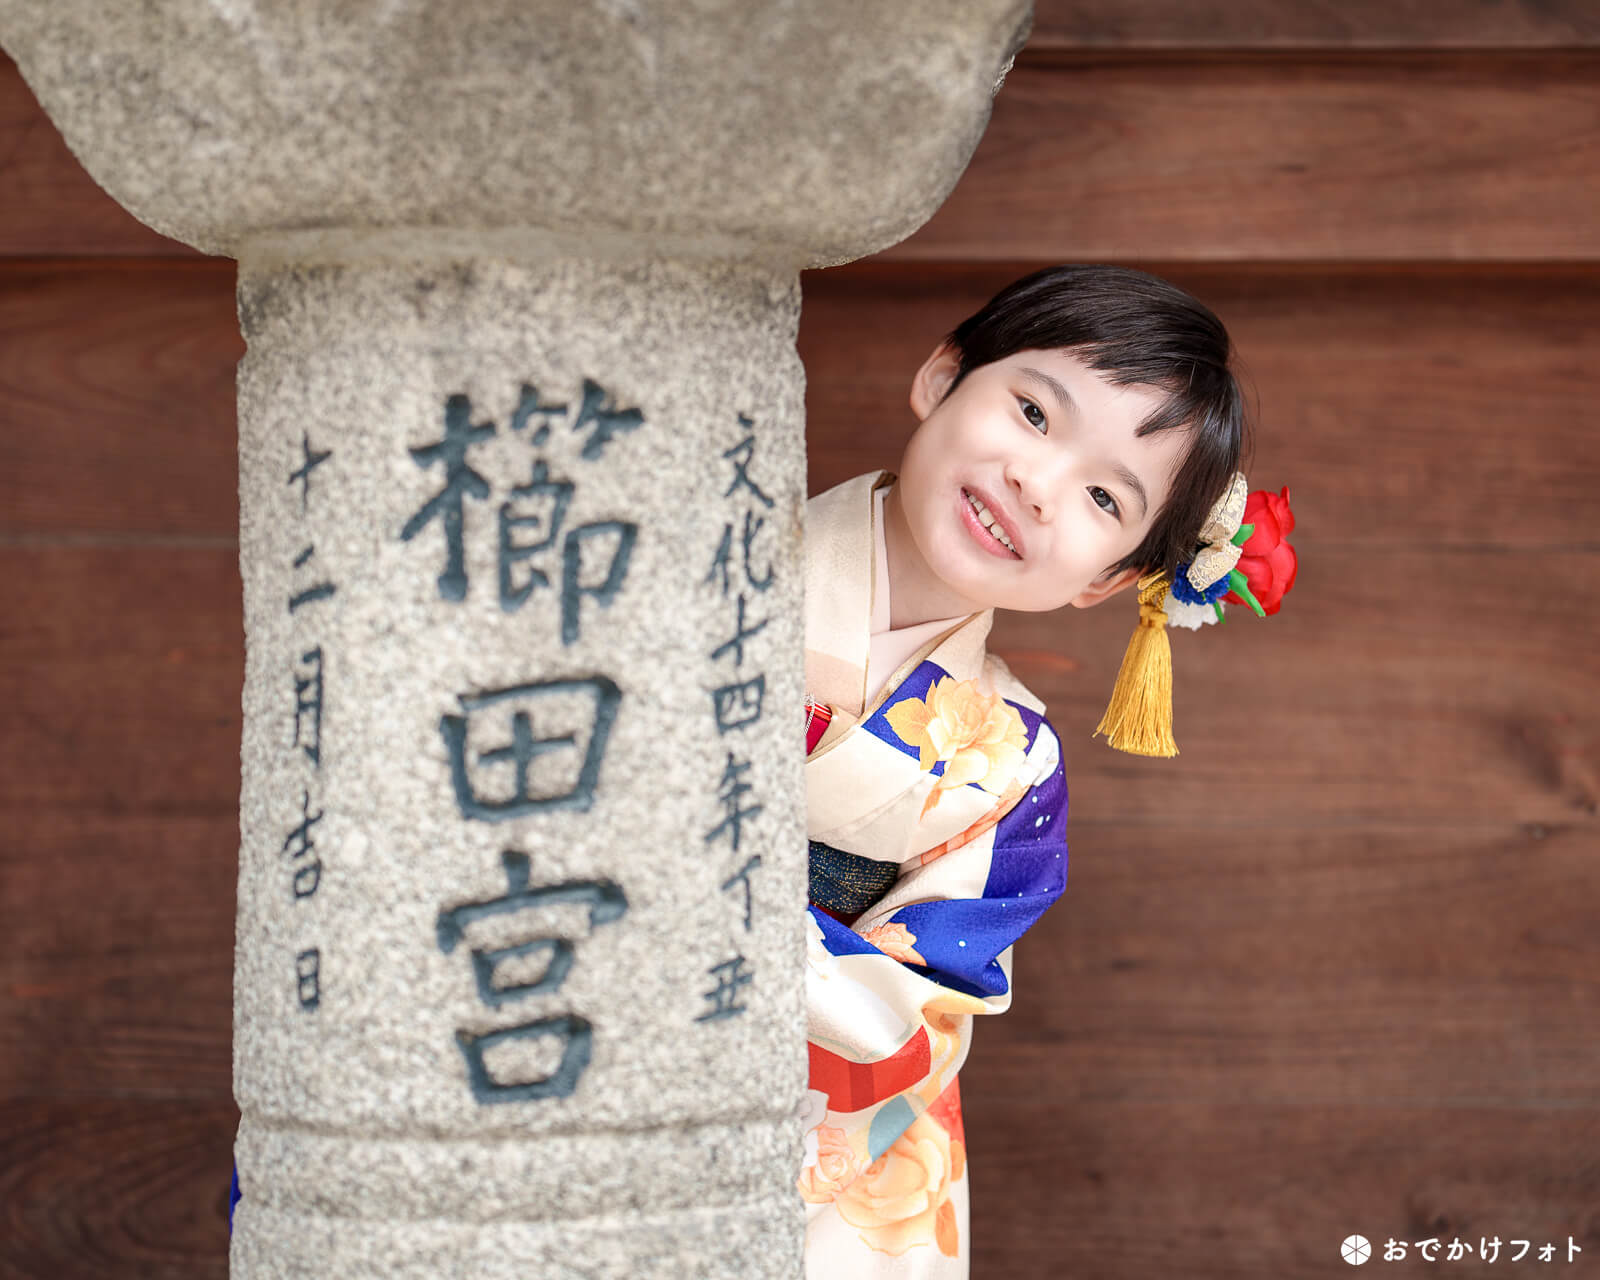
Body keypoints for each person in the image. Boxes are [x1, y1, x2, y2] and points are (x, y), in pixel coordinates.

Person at [799, 263, 1281, 1276]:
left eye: (1103, 496)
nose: (1035, 481)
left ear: (1106, 579)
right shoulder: (707, 561)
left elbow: (914, 1003)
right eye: (1030, 411)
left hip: (776, 1104)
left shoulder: (1014, 770)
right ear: (940, 378)